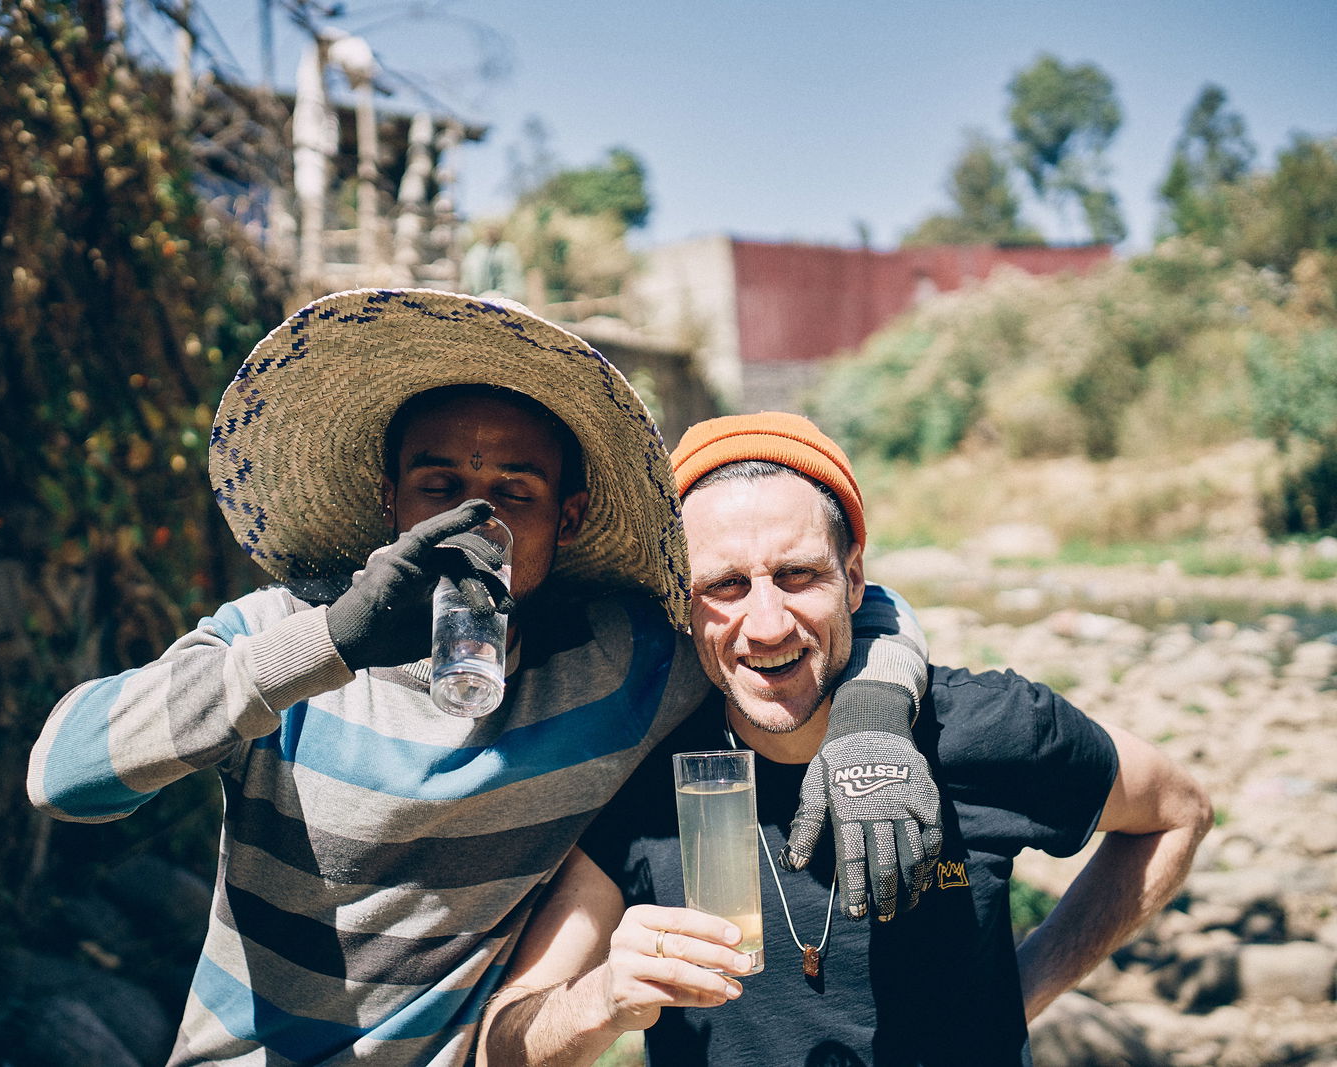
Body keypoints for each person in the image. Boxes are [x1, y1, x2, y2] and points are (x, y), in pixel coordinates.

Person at [26, 292, 937, 1066]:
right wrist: (333, 642)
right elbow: (61, 774)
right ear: (391, 502)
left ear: (568, 518)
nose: (475, 520)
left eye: (515, 490)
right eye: (439, 485)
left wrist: (871, 714)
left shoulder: (625, 663)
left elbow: (838, 604)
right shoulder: (284, 636)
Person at [480, 412, 1214, 1067]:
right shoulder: (644, 764)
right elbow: (500, 1045)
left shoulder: (980, 728)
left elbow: (1178, 809)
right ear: (682, 601)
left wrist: (1021, 994)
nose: (767, 624)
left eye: (798, 576)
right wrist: (604, 997)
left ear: (855, 579)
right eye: (726, 586)